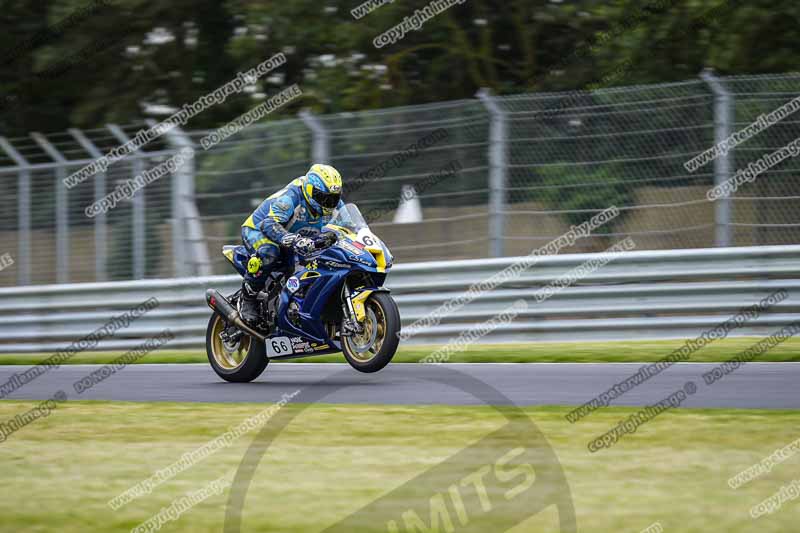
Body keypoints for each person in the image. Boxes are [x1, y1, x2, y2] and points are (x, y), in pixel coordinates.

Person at [239, 163, 344, 323]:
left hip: (295, 238)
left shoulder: (335, 205)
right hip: (257, 230)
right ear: (310, 190)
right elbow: (269, 224)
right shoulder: (291, 198)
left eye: (333, 198)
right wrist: (295, 240)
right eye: (324, 197)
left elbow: (348, 226)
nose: (329, 203)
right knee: (269, 253)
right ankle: (248, 299)